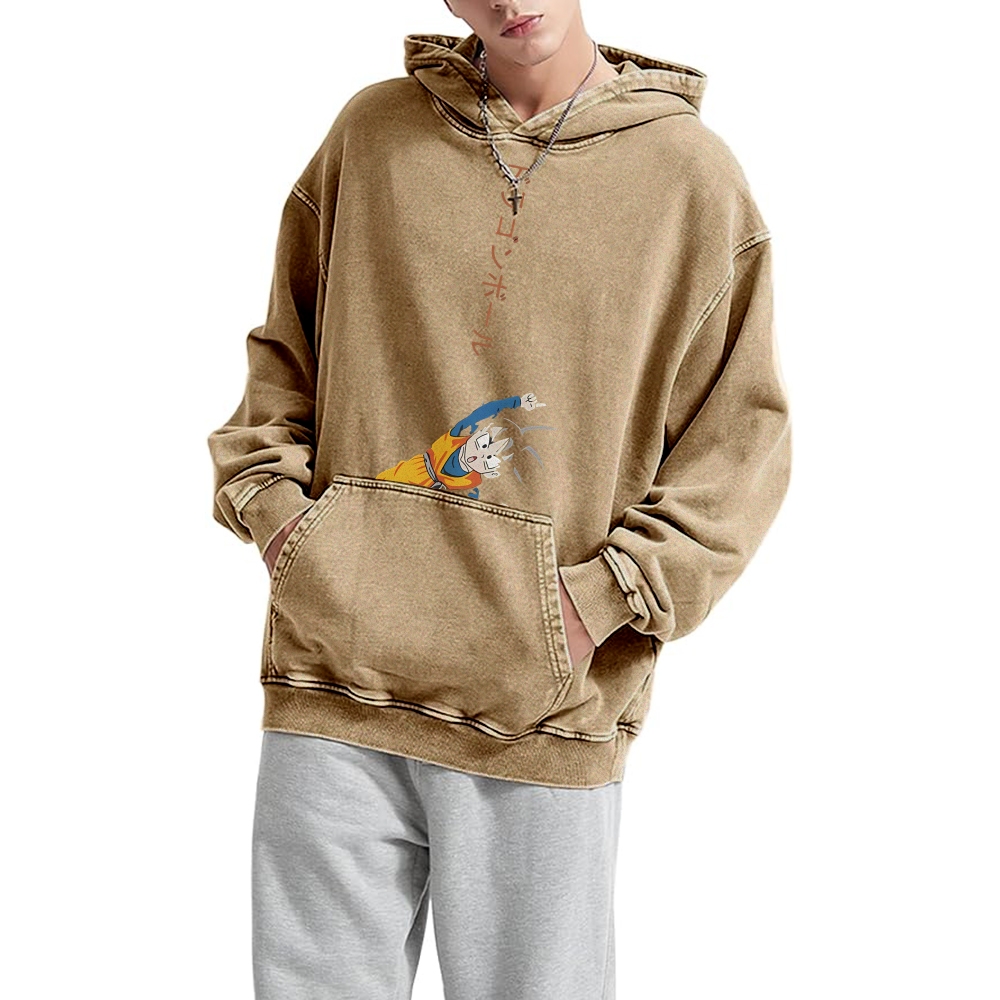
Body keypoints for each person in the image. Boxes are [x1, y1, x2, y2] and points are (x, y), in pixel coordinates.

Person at [206, 1, 792, 996]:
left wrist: (594, 601)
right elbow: (283, 354)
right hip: (331, 682)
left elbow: (741, 444)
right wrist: (282, 523)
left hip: (543, 710)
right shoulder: (372, 135)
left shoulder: (689, 177)